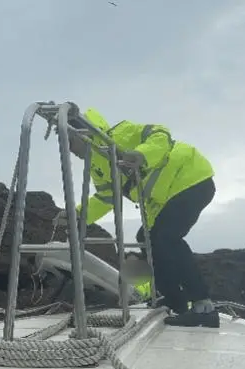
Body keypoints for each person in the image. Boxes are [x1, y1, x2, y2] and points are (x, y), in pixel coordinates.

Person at [55, 107, 218, 328]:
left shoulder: (119, 135)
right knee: (146, 238)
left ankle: (203, 307)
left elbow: (160, 134)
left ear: (82, 133)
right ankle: (175, 299)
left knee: (167, 238)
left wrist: (142, 154)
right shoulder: (97, 165)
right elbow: (106, 197)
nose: (68, 148)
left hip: (192, 179)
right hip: (167, 198)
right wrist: (76, 214)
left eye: (68, 140)